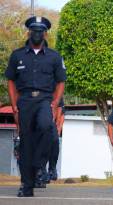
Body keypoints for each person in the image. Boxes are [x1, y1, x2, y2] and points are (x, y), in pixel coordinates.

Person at [5, 16, 66, 197]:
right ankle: (27, 185)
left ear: (45, 34)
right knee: (26, 144)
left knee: (47, 128)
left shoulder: (54, 57)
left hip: (44, 101)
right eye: (34, 31)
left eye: (40, 31)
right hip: (24, 102)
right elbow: (11, 81)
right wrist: (14, 106)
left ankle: (39, 165)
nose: (37, 34)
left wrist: (55, 103)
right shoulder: (17, 55)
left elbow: (61, 82)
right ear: (29, 32)